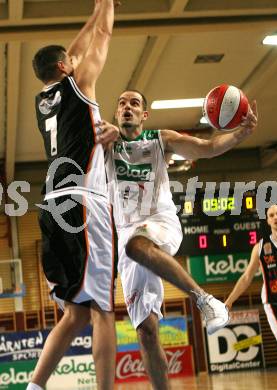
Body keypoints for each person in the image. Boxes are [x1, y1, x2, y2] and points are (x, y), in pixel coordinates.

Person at [106, 89, 258, 389]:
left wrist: (242, 133)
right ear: (115, 114)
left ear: (144, 115)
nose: (127, 107)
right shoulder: (105, 147)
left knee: (137, 245)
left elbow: (208, 146)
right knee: (147, 331)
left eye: (134, 103)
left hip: (160, 223)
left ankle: (206, 301)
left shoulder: (160, 139)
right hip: (127, 233)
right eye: (121, 103)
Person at [27, 1, 121, 390]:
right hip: (83, 202)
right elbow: (100, 37)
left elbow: (77, 48)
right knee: (102, 310)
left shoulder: (43, 100)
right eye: (71, 59)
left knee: (75, 315)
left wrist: (96, 6)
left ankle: (34, 386)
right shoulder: (79, 85)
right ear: (65, 67)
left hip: (52, 205)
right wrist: (108, 7)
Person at [225, 204, 277, 352]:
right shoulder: (260, 247)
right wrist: (230, 301)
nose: (276, 217)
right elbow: (246, 277)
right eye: (271, 215)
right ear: (268, 221)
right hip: (274, 301)